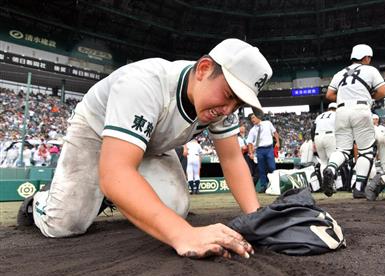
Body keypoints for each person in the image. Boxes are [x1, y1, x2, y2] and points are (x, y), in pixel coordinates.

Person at [17, 38, 273, 259]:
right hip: (95, 132)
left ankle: (113, 193)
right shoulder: (144, 83)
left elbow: (231, 160)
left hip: (152, 144)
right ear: (204, 69)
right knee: (65, 224)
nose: (229, 110)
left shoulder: (222, 105)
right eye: (229, 95)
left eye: (238, 104)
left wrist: (257, 219)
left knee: (174, 209)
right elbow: (116, 171)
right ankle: (42, 201)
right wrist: (184, 235)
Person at [322, 44, 385, 199]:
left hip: (341, 111)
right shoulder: (370, 70)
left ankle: (331, 168)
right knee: (366, 151)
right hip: (361, 110)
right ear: (366, 57)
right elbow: (383, 91)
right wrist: (369, 97)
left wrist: (347, 97)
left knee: (343, 150)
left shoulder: (339, 73)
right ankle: (359, 188)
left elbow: (330, 95)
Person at [247, 113, 280, 193]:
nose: (252, 120)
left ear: (258, 117)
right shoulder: (252, 130)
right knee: (261, 169)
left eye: (253, 117)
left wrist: (278, 142)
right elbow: (249, 143)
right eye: (251, 119)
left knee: (272, 167)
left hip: (269, 148)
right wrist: (251, 153)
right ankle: (263, 186)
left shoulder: (267, 123)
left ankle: (274, 184)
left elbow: (275, 133)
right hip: (259, 150)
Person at [312, 102, 337, 177]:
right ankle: (335, 183)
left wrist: (313, 141)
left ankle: (324, 182)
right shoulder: (336, 114)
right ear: (336, 109)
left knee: (323, 162)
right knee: (333, 161)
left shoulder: (319, 116)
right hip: (329, 136)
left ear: (329, 108)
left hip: (317, 137)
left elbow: (313, 129)